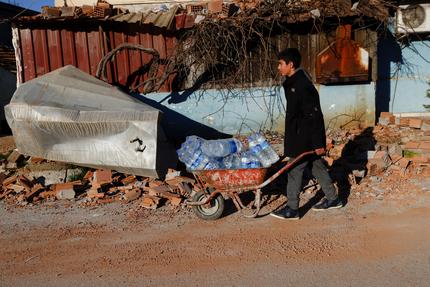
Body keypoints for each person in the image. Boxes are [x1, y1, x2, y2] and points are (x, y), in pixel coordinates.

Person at [270, 48, 343, 220]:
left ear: (291, 65)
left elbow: (314, 114)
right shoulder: (293, 83)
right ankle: (333, 198)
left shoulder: (302, 85)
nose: (278, 68)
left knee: (294, 170)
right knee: (317, 166)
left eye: (281, 64)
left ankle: (292, 209)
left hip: (304, 137)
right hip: (301, 135)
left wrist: (318, 143)